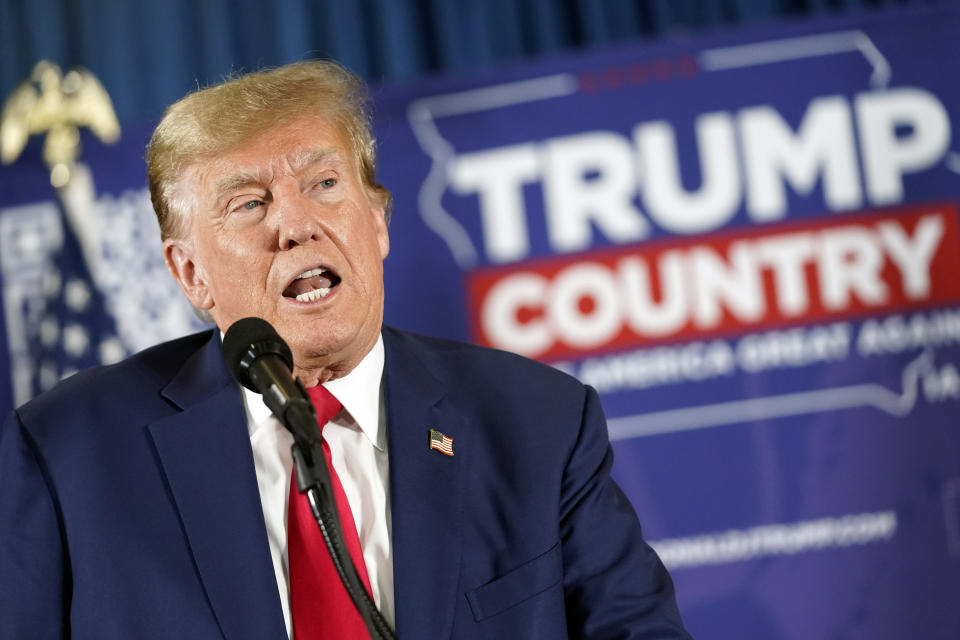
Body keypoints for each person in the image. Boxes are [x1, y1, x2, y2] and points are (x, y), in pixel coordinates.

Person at [0, 61, 691, 639]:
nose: (297, 224)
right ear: (189, 273)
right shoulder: (70, 453)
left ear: (380, 222)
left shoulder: (538, 424)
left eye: (324, 185)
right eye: (249, 204)